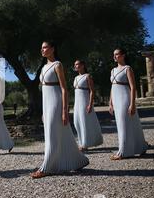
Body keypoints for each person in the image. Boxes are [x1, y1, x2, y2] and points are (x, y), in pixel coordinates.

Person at [30, 41, 89, 179]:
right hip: (47, 102)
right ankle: (79, 160)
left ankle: (47, 167)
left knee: (51, 133)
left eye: (45, 47)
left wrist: (64, 110)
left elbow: (64, 89)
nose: (42, 50)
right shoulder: (44, 67)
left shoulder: (58, 65)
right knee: (61, 132)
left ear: (52, 49)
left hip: (56, 102)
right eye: (41, 47)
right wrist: (44, 111)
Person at [109, 48, 148, 160]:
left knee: (123, 124)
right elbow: (112, 87)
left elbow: (133, 87)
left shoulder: (128, 69)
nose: (115, 56)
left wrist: (132, 104)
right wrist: (110, 103)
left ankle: (123, 152)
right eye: (114, 55)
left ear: (123, 55)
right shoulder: (112, 70)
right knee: (126, 123)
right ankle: (141, 147)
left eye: (117, 54)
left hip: (125, 98)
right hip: (116, 99)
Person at [73, 60, 103, 151]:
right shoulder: (76, 78)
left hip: (84, 102)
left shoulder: (87, 76)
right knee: (76, 122)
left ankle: (84, 144)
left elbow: (92, 91)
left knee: (83, 121)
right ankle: (81, 142)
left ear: (83, 65)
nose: (76, 66)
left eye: (77, 64)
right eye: (75, 65)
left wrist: (90, 104)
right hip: (77, 102)